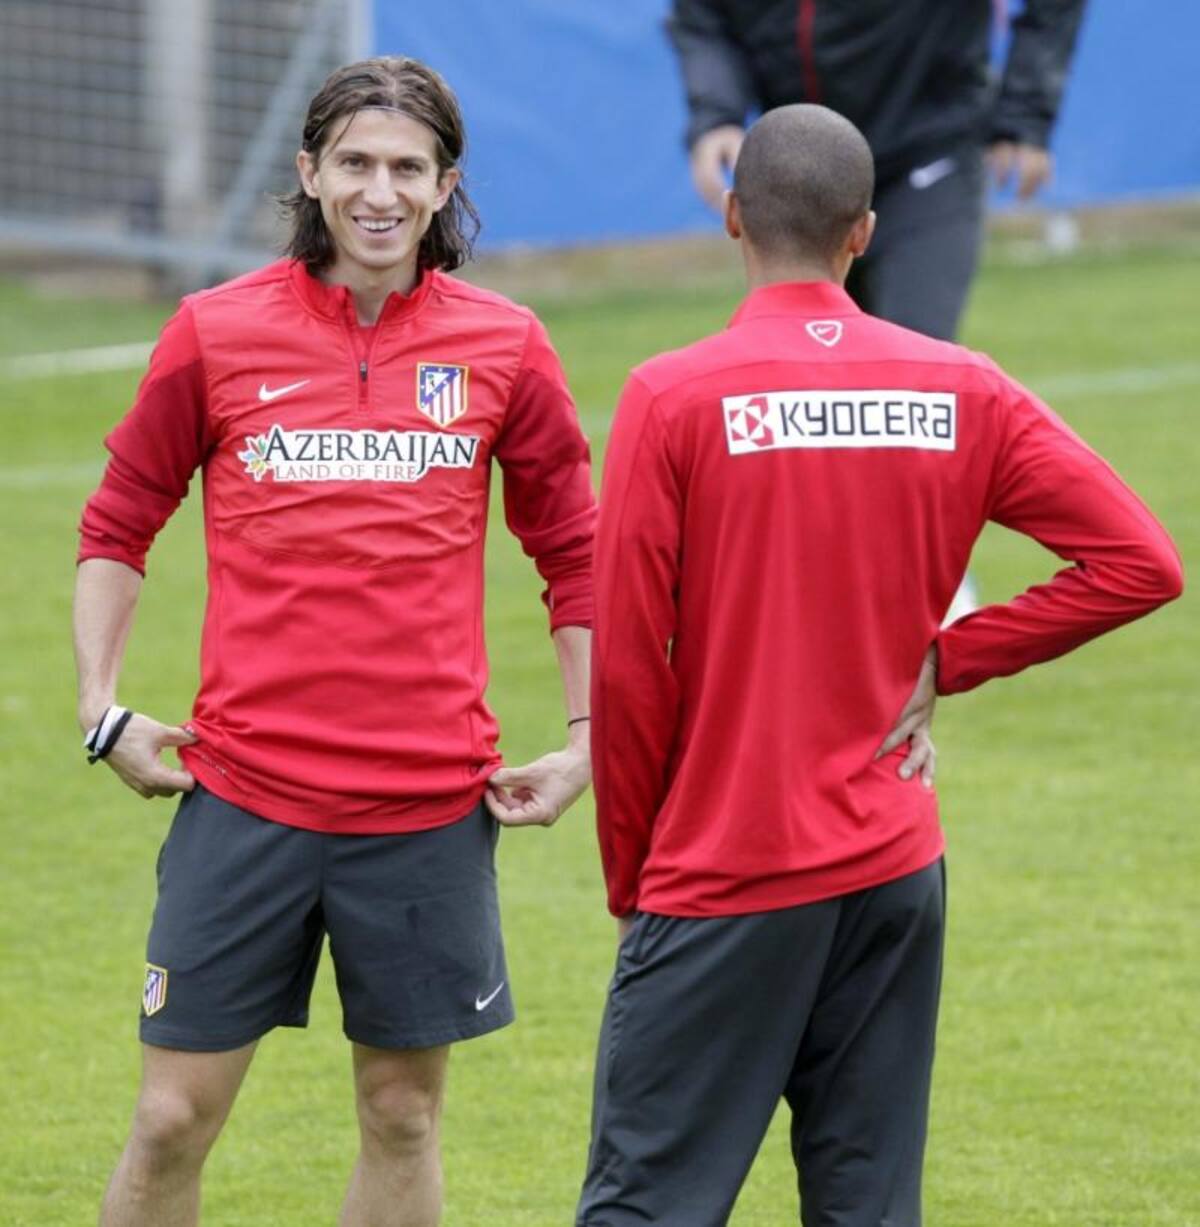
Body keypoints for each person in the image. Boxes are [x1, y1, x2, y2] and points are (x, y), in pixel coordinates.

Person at [576, 105, 1181, 1227]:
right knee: (867, 1208)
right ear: (864, 233)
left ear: (731, 218)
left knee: (648, 1207)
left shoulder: (672, 397)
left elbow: (626, 676)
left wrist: (633, 876)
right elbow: (1140, 562)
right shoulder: (964, 387)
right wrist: (950, 658)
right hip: (894, 869)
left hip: (721, 872)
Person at [75, 57, 596, 1227]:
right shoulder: (215, 331)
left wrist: (587, 737)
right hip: (244, 797)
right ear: (309, 173)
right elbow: (118, 522)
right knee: (169, 1122)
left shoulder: (505, 345)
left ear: (443, 184)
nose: (379, 191)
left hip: (424, 807)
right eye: (355, 163)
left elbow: (575, 547)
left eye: (407, 168)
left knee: (403, 1114)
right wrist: (100, 706)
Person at [668, 0, 1089, 342]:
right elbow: (704, 16)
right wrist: (717, 116)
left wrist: (1025, 115)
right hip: (804, 172)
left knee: (912, 374)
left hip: (927, 152)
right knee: (803, 379)